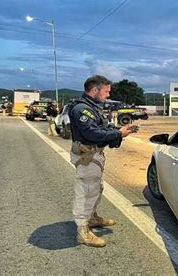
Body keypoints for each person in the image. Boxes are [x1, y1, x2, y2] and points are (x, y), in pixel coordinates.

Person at [69, 75, 137, 247]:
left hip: (94, 155)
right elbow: (93, 133)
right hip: (87, 156)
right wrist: (119, 134)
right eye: (106, 91)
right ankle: (83, 231)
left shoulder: (93, 108)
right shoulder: (81, 109)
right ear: (95, 90)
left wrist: (118, 130)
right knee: (86, 192)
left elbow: (102, 128)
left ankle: (91, 218)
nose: (108, 95)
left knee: (95, 188)